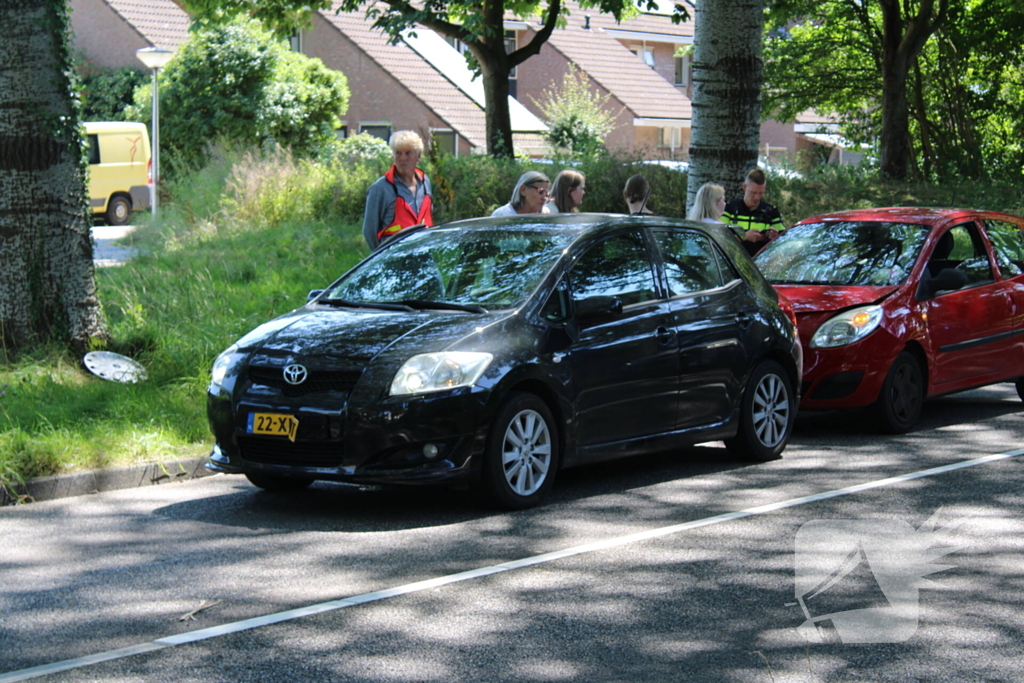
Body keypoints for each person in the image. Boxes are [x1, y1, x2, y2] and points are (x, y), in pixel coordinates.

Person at [362, 131, 433, 250]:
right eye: (398, 153)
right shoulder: (380, 188)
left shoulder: (425, 183)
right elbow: (369, 231)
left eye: (408, 153)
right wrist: (381, 257)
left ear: (418, 156)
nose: (402, 158)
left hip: (424, 254)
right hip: (394, 259)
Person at [721, 167, 785, 256]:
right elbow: (719, 238)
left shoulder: (771, 212)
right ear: (744, 187)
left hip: (760, 264)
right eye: (753, 193)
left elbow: (784, 241)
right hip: (733, 261)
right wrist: (744, 237)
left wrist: (774, 237)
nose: (757, 197)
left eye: (761, 193)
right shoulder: (730, 208)